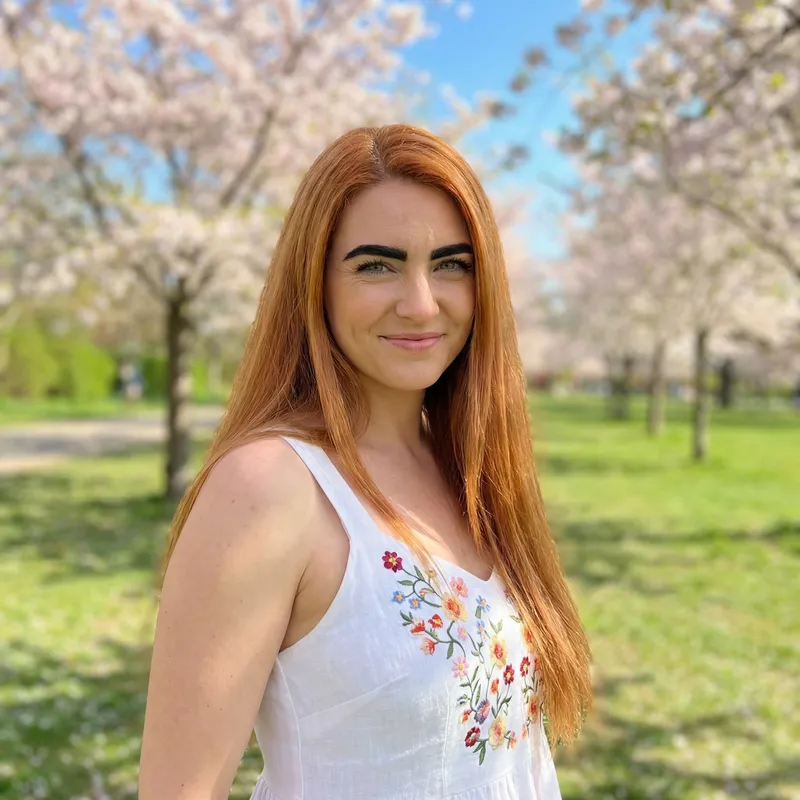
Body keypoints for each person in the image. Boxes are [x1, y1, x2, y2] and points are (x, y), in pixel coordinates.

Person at [138, 124, 592, 799]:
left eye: (451, 264)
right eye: (376, 264)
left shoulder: (470, 473)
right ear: (314, 282)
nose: (420, 302)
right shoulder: (269, 489)